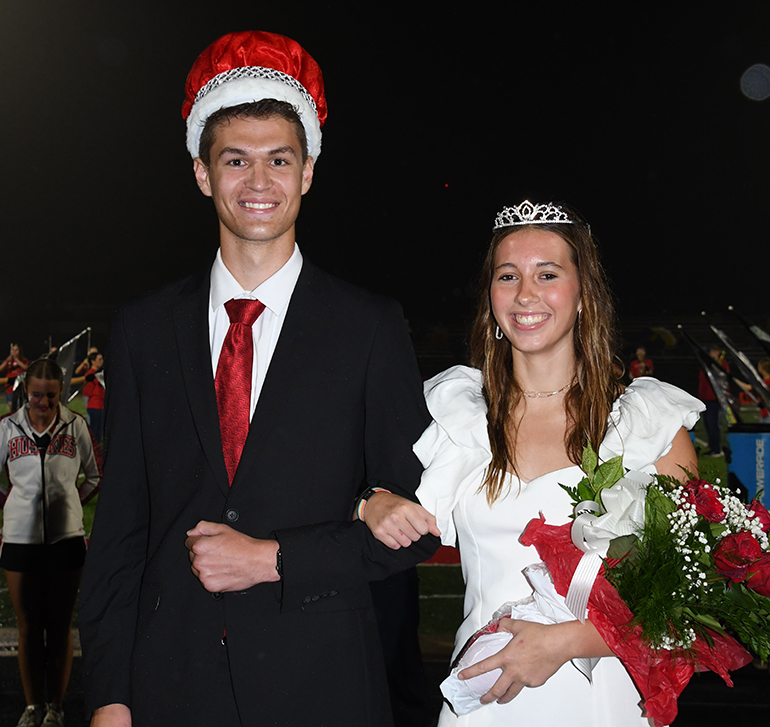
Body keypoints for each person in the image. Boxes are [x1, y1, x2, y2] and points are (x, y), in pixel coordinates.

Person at [78, 31, 438, 727]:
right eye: (235, 161)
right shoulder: (143, 328)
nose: (259, 183)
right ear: (202, 173)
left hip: (323, 682)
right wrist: (109, 695)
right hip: (169, 681)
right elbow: (122, 526)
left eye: (279, 160)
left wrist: (275, 559)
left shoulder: (368, 325)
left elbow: (416, 527)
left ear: (307, 171)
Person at [361, 200, 704, 726]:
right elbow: (344, 485)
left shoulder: (648, 426)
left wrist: (563, 643)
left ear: (583, 294)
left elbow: (685, 606)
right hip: (485, 700)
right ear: (490, 298)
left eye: (547, 274)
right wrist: (370, 501)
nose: (525, 294)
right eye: (508, 276)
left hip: (602, 702)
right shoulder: (452, 417)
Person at [0, 358, 101, 727]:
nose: (42, 403)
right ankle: (32, 707)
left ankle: (56, 708)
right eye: (36, 396)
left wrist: (70, 507)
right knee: (28, 627)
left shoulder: (76, 426)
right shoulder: (8, 428)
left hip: (66, 541)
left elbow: (92, 476)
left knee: (59, 626)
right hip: (18, 541)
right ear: (26, 391)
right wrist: (15, 508)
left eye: (51, 396)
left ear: (62, 394)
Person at [1, 344, 29, 411]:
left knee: (20, 404)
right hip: (9, 385)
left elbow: (25, 367)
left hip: (19, 384)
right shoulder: (8, 361)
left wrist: (16, 359)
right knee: (11, 404)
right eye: (13, 350)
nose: (14, 351)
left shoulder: (23, 360)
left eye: (16, 350)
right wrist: (7, 361)